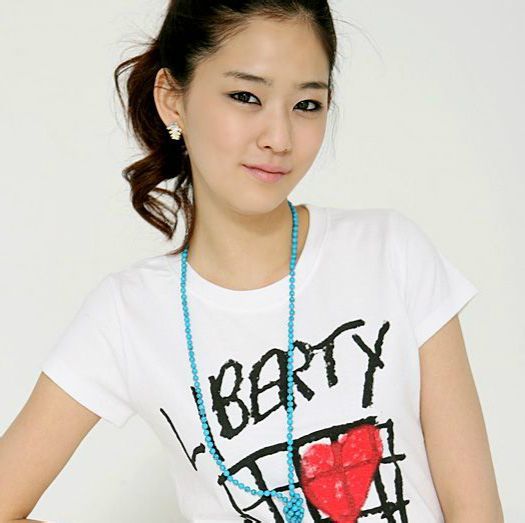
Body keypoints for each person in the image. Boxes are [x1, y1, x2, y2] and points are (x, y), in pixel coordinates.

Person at [0, 1, 504, 522]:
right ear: (173, 99)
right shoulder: (128, 315)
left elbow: (478, 512)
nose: (279, 138)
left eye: (306, 104)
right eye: (246, 97)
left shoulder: (390, 253)